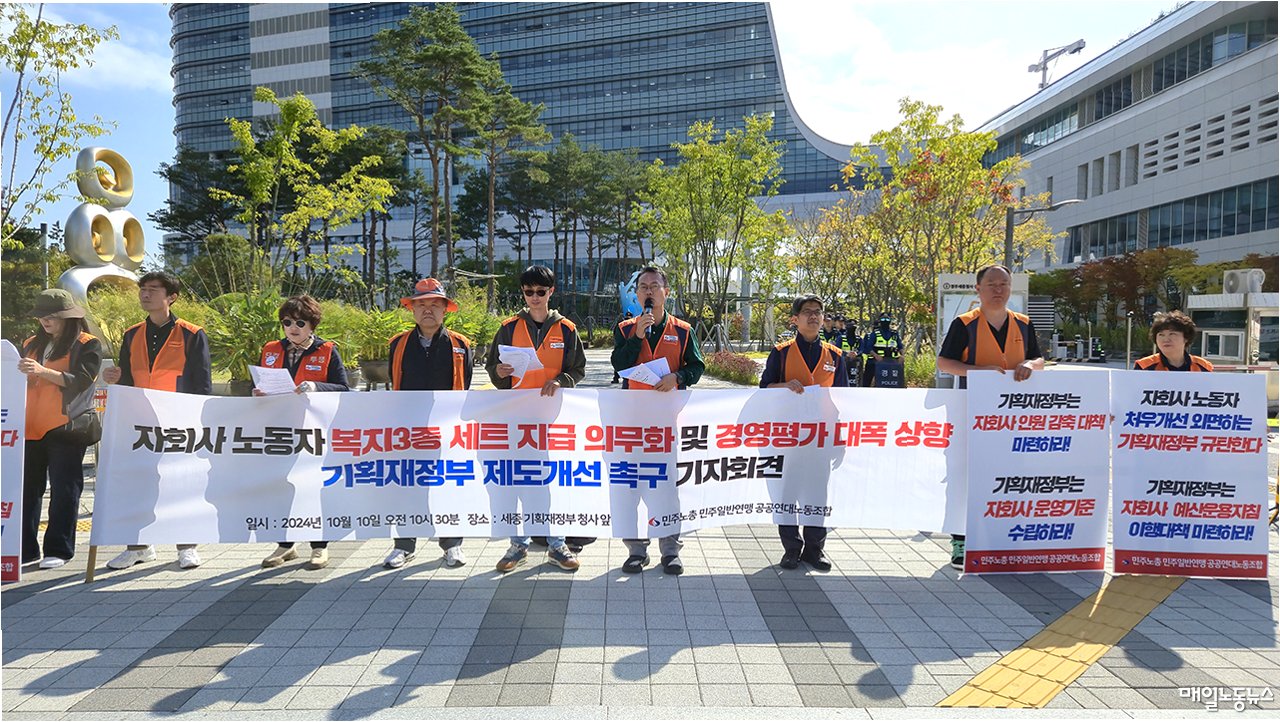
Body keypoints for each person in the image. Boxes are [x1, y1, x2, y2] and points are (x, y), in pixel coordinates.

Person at [936, 264, 1044, 570]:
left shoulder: (1023, 323)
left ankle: (1002, 536)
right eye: (992, 284)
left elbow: (1039, 358)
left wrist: (1031, 365)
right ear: (978, 289)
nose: (999, 290)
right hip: (970, 412)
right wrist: (977, 371)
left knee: (1010, 476)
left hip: (1014, 417)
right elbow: (944, 362)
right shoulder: (964, 324)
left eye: (1004, 284)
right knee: (964, 475)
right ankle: (960, 540)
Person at [103, 272, 212, 570]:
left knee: (181, 485)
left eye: (153, 289)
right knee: (138, 484)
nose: (145, 294)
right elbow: (127, 380)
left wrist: (195, 423)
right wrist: (114, 378)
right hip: (141, 424)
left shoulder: (191, 334)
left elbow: (202, 384)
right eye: (143, 289)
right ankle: (138, 546)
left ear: (171, 297)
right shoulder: (132, 334)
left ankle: (186, 546)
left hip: (179, 423)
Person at [486, 265, 587, 573]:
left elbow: (578, 369)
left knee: (550, 482)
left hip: (553, 420)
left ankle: (557, 545)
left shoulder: (567, 329)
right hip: (516, 422)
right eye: (529, 291)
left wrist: (562, 380)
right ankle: (518, 545)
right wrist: (499, 372)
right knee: (517, 481)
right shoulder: (508, 328)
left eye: (540, 291)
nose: (534, 297)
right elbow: (493, 369)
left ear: (551, 292)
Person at [610, 266, 704, 575]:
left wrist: (678, 377)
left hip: (667, 425)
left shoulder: (683, 330)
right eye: (643, 287)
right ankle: (636, 550)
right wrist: (637, 337)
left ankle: (670, 550)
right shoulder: (625, 328)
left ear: (666, 292)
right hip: (631, 424)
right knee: (630, 487)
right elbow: (619, 364)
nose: (648, 291)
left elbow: (697, 367)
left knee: (666, 487)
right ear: (637, 294)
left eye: (654, 286)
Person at [256, 295, 351, 570]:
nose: (292, 328)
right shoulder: (271, 349)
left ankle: (320, 545)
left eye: (300, 323)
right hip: (279, 430)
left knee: (313, 485)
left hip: (314, 433)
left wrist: (315, 386)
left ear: (312, 325)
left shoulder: (327, 351)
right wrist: (257, 392)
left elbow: (344, 388)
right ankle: (285, 544)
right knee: (281, 486)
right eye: (287, 322)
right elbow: (261, 382)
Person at [383, 277, 472, 570]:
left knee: (448, 485)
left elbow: (465, 385)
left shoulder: (460, 345)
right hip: (409, 430)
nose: (428, 310)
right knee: (407, 485)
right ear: (412, 309)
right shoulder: (398, 344)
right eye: (422, 305)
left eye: (435, 304)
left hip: (447, 431)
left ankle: (452, 544)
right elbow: (395, 383)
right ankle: (403, 546)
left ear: (445, 309)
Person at [759, 294, 847, 571]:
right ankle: (791, 549)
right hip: (788, 439)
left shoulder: (835, 356)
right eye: (807, 311)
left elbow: (844, 400)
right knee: (787, 493)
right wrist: (784, 385)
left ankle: (814, 550)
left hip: (820, 439)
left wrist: (840, 438)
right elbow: (764, 389)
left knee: (817, 495)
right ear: (795, 319)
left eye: (818, 312)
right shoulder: (781, 352)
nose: (814, 316)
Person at [19, 290, 103, 569]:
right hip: (30, 426)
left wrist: (41, 371)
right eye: (41, 315)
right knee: (27, 490)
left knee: (65, 488)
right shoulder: (30, 343)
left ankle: (59, 549)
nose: (45, 320)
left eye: (52, 316)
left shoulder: (87, 344)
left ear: (68, 317)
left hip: (66, 427)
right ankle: (24, 550)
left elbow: (82, 381)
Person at [1133, 311, 1213, 372]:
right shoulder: (1144, 366)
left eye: (1172, 334)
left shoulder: (1203, 367)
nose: (1166, 339)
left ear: (1186, 338)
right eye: (1161, 335)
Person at [860, 312, 903, 388]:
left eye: (887, 319)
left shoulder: (894, 333)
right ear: (880, 321)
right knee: (867, 381)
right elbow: (869, 347)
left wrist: (902, 356)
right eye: (883, 319)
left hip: (892, 361)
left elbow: (900, 347)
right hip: (876, 361)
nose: (885, 321)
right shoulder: (875, 333)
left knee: (893, 382)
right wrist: (876, 356)